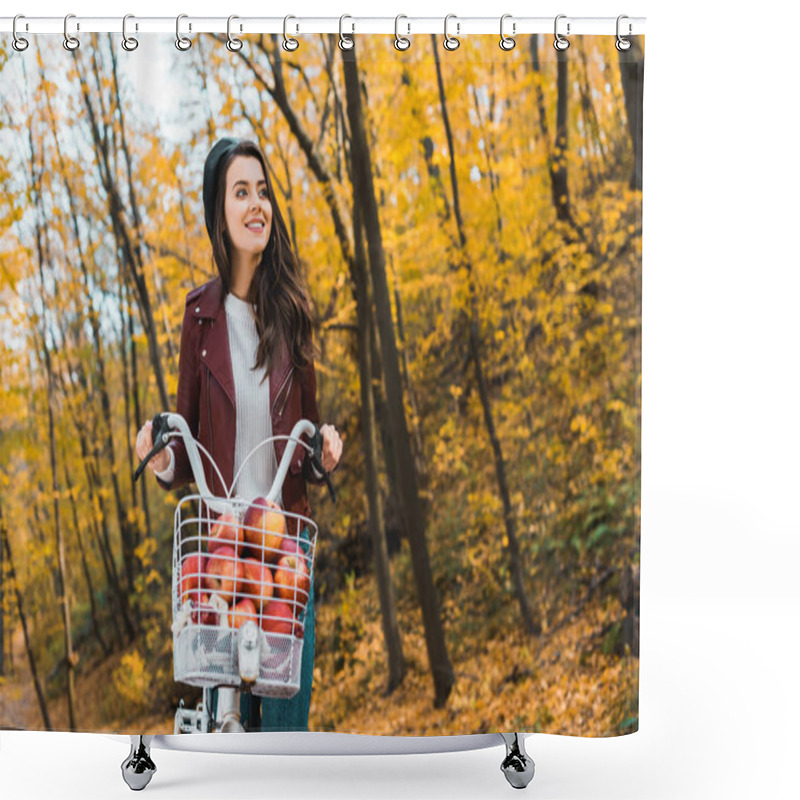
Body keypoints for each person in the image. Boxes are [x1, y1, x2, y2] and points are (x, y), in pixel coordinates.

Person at [135, 136, 342, 732]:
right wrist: (159, 458)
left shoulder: (293, 311)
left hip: (283, 546)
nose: (258, 204)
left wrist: (325, 452)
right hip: (223, 538)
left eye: (263, 191)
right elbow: (185, 436)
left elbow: (308, 444)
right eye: (241, 192)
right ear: (219, 214)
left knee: (281, 737)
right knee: (225, 724)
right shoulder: (199, 315)